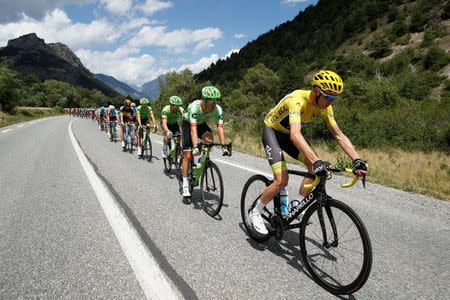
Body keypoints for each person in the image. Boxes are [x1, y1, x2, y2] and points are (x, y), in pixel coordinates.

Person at [250, 70, 368, 235]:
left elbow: (339, 135)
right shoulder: (297, 100)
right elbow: (295, 134)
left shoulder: (325, 107)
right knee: (281, 181)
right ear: (316, 91)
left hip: (290, 136)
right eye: (328, 97)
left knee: (315, 168)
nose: (330, 102)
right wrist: (316, 161)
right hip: (273, 133)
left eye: (334, 98)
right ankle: (255, 211)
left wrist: (357, 159)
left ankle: (297, 203)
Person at [181, 86, 230, 197]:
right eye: (212, 102)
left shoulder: (217, 109)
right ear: (205, 100)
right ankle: (184, 185)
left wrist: (224, 146)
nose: (214, 104)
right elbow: (193, 129)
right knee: (188, 155)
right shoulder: (194, 107)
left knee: (209, 141)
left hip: (201, 124)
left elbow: (220, 127)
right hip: (188, 124)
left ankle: (201, 162)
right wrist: (196, 146)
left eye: (216, 101)